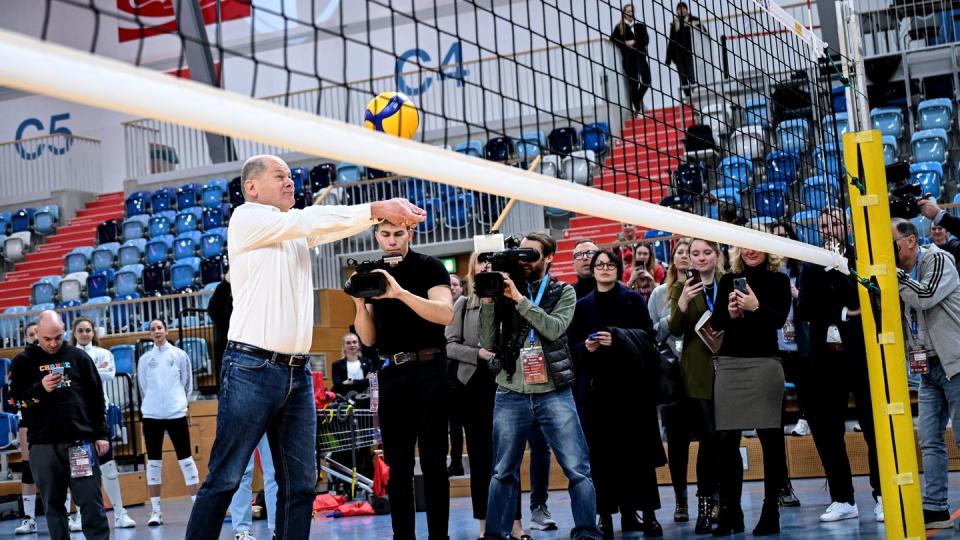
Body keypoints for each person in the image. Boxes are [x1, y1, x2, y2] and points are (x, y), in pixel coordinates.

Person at [185, 154, 424, 540]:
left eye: (291, 176)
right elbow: (308, 221)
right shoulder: (247, 217)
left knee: (300, 485)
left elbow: (323, 228)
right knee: (225, 478)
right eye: (279, 176)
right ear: (252, 187)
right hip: (251, 367)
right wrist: (376, 206)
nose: (290, 182)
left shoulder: (291, 229)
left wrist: (378, 219)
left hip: (296, 373)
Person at [479, 232, 603, 540]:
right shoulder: (503, 289)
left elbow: (553, 328)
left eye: (531, 254)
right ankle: (495, 535)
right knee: (502, 471)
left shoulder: (563, 291)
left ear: (548, 258)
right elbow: (487, 341)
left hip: (554, 391)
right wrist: (488, 300)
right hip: (510, 391)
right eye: (520, 253)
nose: (523, 260)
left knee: (577, 468)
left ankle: (587, 531)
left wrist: (519, 300)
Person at [353, 220, 454, 540]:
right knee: (398, 467)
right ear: (376, 236)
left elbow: (445, 314)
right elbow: (367, 339)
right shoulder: (373, 274)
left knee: (435, 463)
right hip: (393, 373)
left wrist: (399, 293)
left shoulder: (430, 266)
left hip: (430, 368)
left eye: (398, 234)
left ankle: (440, 536)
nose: (392, 240)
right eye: (385, 234)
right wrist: (358, 301)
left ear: (410, 233)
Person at [796, 207, 882, 523]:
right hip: (826, 358)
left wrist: (838, 278)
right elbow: (806, 309)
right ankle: (843, 498)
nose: (828, 228)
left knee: (874, 428)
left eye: (834, 222)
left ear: (846, 225)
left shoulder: (861, 259)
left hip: (862, 356)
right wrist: (844, 312)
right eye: (823, 224)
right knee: (828, 430)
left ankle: (882, 494)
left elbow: (867, 301)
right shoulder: (811, 262)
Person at [569, 250, 663, 538]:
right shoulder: (582, 306)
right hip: (597, 391)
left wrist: (617, 337)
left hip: (631, 389)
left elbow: (649, 339)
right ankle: (605, 519)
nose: (605, 269)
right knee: (602, 457)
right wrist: (587, 347)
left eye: (610, 264)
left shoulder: (632, 298)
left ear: (618, 268)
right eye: (600, 265)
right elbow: (571, 348)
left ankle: (647, 515)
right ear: (593, 271)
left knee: (639, 457)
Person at [446, 252, 530, 540]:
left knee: (509, 458)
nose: (486, 266)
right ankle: (484, 526)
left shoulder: (511, 299)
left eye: (490, 262)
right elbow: (450, 346)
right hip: (472, 385)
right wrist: (477, 354)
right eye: (480, 262)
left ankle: (516, 524)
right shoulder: (462, 303)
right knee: (481, 459)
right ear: (472, 269)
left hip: (505, 382)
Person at [708, 246, 792, 536]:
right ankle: (732, 512)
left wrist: (755, 307)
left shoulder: (778, 281)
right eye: (744, 245)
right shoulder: (727, 280)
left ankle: (771, 511)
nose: (750, 251)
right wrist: (731, 313)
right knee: (725, 441)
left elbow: (777, 321)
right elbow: (716, 321)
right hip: (730, 365)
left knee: (771, 441)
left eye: (756, 245)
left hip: (764, 363)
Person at [9, 311, 110, 540]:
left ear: (64, 331)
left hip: (79, 443)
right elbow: (13, 401)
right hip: (43, 446)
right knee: (53, 507)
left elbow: (96, 398)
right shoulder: (24, 362)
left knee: (91, 503)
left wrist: (101, 434)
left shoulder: (78, 357)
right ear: (37, 334)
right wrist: (39, 389)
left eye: (58, 337)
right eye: (47, 339)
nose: (53, 343)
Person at [892, 218, 960, 529]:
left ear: (909, 240)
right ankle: (935, 508)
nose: (887, 248)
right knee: (930, 440)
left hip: (956, 362)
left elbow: (925, 295)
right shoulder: (899, 275)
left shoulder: (938, 258)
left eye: (891, 241)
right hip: (928, 368)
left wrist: (890, 274)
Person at [206, 274, 279, 540]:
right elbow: (214, 311)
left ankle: (276, 528)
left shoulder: (265, 304)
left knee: (273, 469)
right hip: (238, 396)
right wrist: (228, 282)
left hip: (270, 394)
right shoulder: (226, 308)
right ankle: (242, 529)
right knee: (241, 469)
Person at [668, 238, 723, 533]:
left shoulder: (727, 283)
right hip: (697, 373)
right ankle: (704, 508)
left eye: (706, 253)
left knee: (724, 441)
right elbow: (675, 329)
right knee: (708, 439)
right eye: (695, 253)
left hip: (727, 370)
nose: (700, 258)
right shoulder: (682, 286)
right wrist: (683, 302)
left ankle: (722, 504)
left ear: (717, 255)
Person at [64, 317, 137, 531]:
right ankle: (78, 516)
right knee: (80, 468)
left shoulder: (104, 354)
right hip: (76, 417)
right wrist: (93, 371)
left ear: (93, 332)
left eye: (88, 330)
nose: (85, 333)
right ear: (74, 333)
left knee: (108, 465)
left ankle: (120, 513)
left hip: (98, 414)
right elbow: (74, 379)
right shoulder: (68, 356)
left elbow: (109, 373)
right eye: (81, 330)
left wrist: (83, 374)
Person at [138, 318, 198, 526]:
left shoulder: (180, 355)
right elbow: (143, 386)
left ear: (166, 330)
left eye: (159, 328)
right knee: (154, 462)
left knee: (186, 459)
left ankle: (197, 507)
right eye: (152, 329)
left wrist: (179, 402)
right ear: (149, 334)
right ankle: (156, 511)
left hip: (176, 412)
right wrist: (155, 403)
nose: (156, 331)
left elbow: (187, 383)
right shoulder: (145, 359)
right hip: (152, 414)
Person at [648, 238, 690, 521]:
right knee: (677, 443)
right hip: (673, 376)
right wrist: (674, 316)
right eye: (681, 252)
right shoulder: (659, 294)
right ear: (672, 259)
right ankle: (680, 501)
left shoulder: (709, 289)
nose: (686, 257)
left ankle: (711, 497)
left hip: (704, 371)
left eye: (692, 252)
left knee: (713, 439)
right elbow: (652, 335)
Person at [767, 222, 803, 508]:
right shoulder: (766, 275)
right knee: (773, 424)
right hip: (774, 350)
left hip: (802, 348)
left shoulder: (804, 270)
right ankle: (782, 485)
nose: (779, 242)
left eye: (783, 237)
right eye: (773, 238)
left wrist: (797, 296)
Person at [14, 321, 39, 536]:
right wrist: (31, 403)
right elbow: (14, 398)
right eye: (31, 334)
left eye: (37, 333)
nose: (35, 337)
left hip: (55, 420)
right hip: (28, 420)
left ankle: (71, 515)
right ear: (26, 337)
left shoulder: (53, 359)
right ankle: (30, 519)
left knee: (62, 468)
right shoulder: (20, 362)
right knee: (28, 468)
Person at [610, 3, 652, 115]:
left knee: (647, 80)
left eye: (632, 11)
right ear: (624, 13)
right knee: (634, 83)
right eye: (628, 11)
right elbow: (613, 39)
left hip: (640, 56)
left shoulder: (640, 25)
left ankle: (637, 99)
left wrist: (635, 42)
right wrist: (625, 44)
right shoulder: (619, 27)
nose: (631, 13)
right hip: (629, 59)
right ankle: (637, 109)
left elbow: (646, 40)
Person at [665, 1, 704, 96]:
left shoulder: (694, 20)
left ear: (686, 9)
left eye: (683, 8)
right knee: (682, 77)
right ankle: (688, 97)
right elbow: (671, 41)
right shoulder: (674, 24)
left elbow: (704, 32)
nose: (681, 10)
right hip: (678, 55)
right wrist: (668, 59)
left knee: (691, 76)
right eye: (679, 9)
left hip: (690, 53)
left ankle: (696, 94)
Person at [330, 333, 374, 399]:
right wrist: (363, 381)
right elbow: (338, 386)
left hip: (366, 398)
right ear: (344, 347)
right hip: (345, 399)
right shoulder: (337, 365)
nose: (352, 345)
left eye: (354, 342)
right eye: (348, 343)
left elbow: (370, 382)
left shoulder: (368, 362)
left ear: (359, 345)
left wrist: (351, 382)